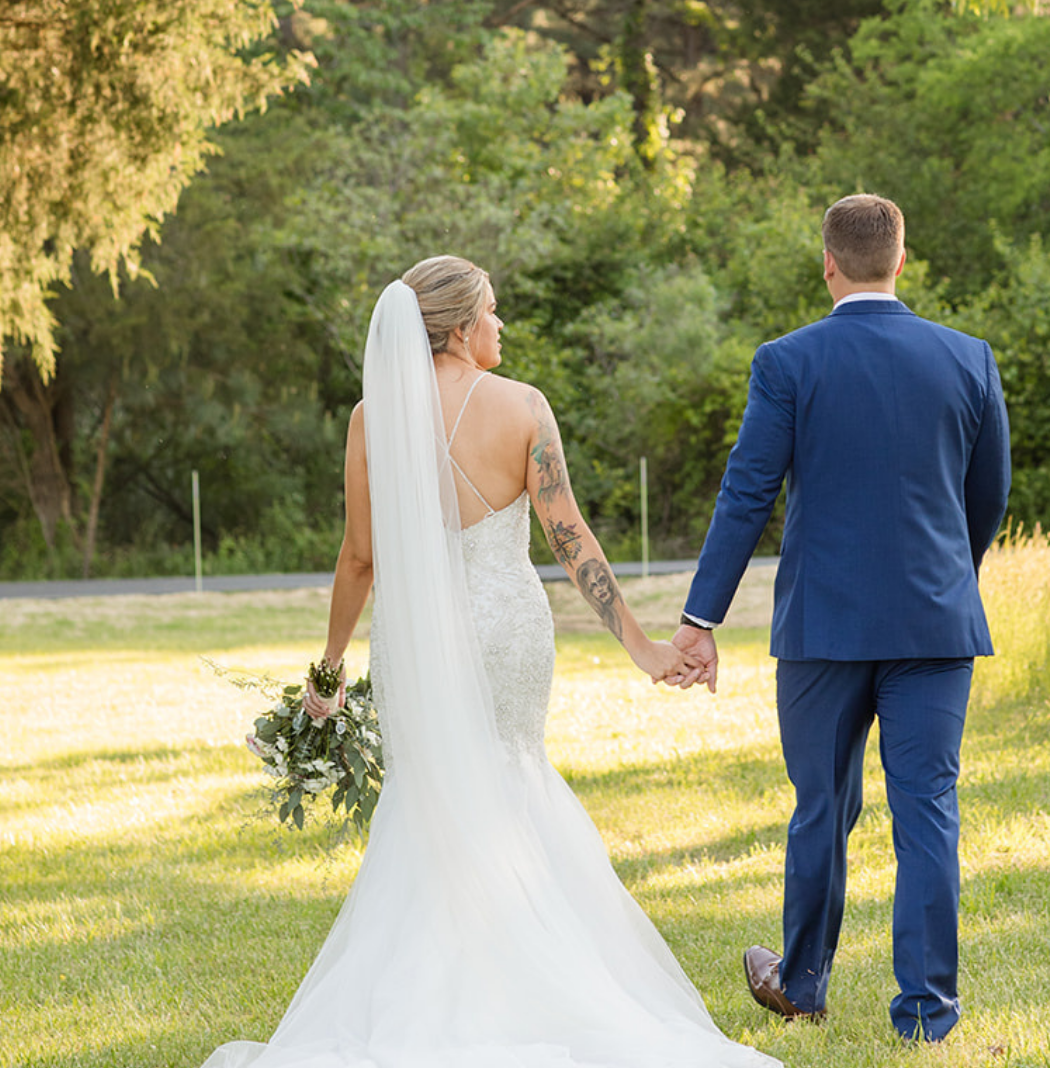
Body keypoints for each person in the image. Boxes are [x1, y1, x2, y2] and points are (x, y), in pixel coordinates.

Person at [203, 256, 779, 1068]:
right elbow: (568, 536)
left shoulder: (374, 419)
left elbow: (359, 560)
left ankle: (435, 999)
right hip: (509, 629)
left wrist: (327, 673)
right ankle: (535, 982)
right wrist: (643, 646)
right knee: (514, 779)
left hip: (415, 643)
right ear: (460, 327)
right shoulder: (523, 408)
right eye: (494, 313)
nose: (502, 326)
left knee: (429, 796)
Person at [672, 195, 1011, 1043]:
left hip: (823, 628)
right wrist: (945, 579)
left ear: (828, 263)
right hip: (936, 625)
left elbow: (748, 490)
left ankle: (806, 984)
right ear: (903, 259)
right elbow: (989, 495)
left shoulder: (787, 362)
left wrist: (698, 617)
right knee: (927, 807)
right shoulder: (968, 359)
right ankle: (927, 1015)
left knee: (822, 804)